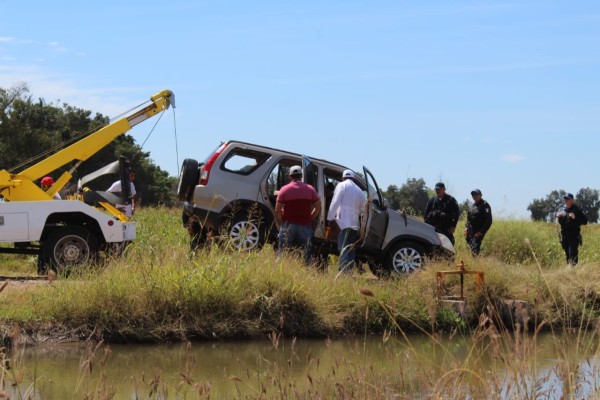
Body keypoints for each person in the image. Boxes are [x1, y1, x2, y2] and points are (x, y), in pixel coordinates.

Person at [275, 165, 321, 264]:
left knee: (283, 251)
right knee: (306, 253)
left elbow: (277, 209)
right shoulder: (310, 189)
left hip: (288, 224)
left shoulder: (284, 189)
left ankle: (280, 269)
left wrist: (283, 220)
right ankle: (307, 270)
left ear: (290, 176)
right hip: (305, 225)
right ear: (301, 175)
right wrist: (310, 217)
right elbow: (318, 208)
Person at [327, 169, 367, 272]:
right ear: (353, 178)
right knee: (351, 248)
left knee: (343, 247)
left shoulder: (342, 185)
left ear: (343, 177)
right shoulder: (359, 190)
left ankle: (343, 272)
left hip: (343, 222)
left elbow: (335, 202)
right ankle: (349, 271)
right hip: (355, 224)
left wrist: (330, 218)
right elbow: (364, 208)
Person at [556, 193, 588, 265]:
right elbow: (562, 223)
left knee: (572, 255)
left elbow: (585, 221)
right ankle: (570, 270)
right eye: (565, 199)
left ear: (572, 200)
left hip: (573, 236)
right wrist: (560, 218)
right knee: (567, 256)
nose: (566, 200)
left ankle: (574, 269)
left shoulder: (577, 210)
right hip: (565, 236)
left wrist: (575, 218)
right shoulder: (564, 211)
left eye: (567, 199)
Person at [465, 189, 492, 255]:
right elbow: (468, 219)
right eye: (473, 195)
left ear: (481, 195)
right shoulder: (472, 206)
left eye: (476, 194)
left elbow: (489, 220)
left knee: (475, 246)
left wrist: (481, 231)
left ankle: (477, 259)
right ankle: (479, 257)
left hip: (478, 231)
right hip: (471, 230)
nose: (474, 196)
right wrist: (466, 228)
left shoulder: (485, 205)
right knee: (471, 245)